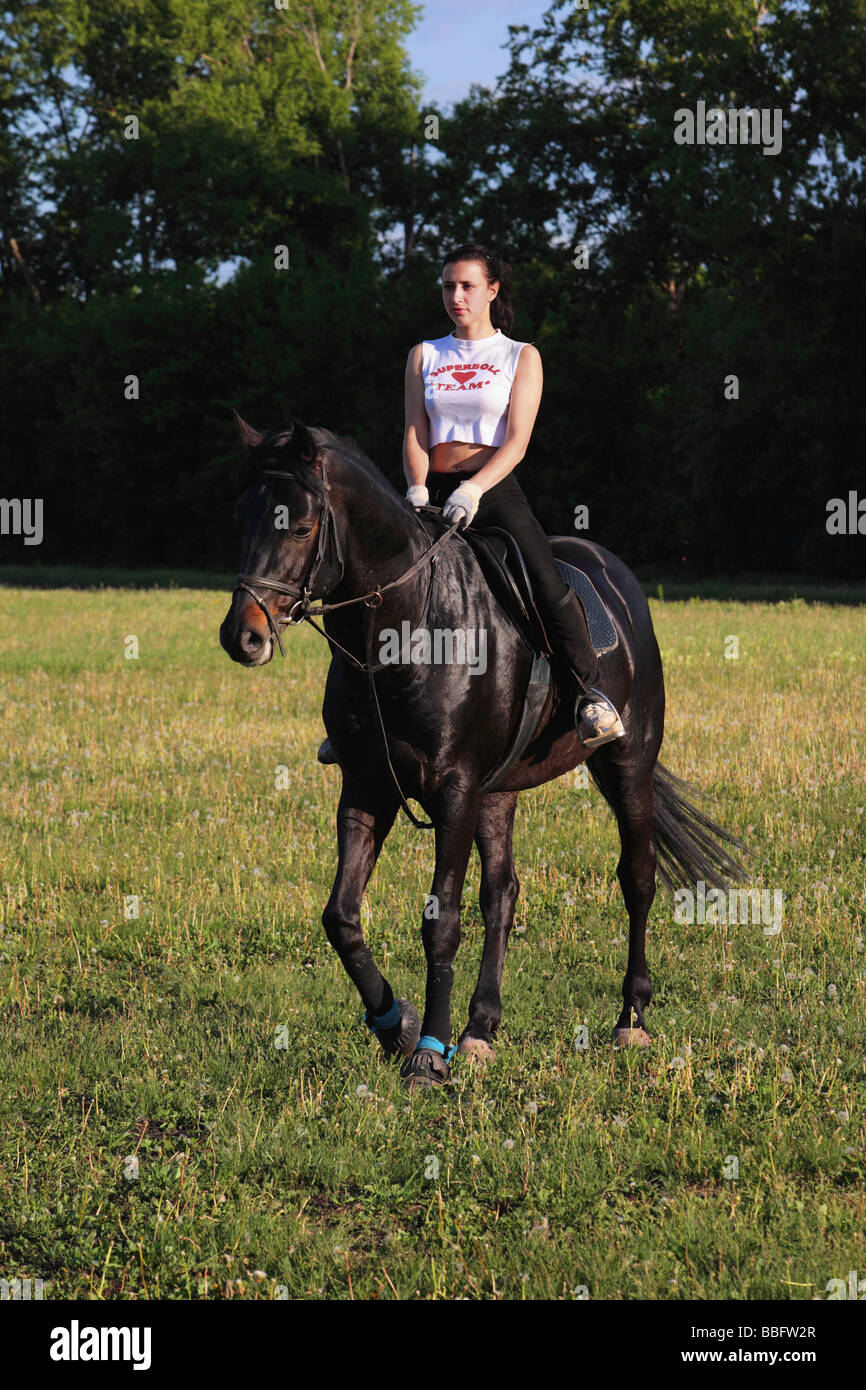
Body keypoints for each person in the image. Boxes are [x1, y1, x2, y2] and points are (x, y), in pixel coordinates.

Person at [317, 242, 624, 765]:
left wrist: (475, 489)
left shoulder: (519, 355)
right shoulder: (424, 354)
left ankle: (589, 695)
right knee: (364, 586)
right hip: (428, 489)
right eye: (447, 286)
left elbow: (518, 441)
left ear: (492, 290)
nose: (455, 296)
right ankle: (357, 715)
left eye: (466, 286)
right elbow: (415, 429)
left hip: (494, 488)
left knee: (544, 582)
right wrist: (416, 490)